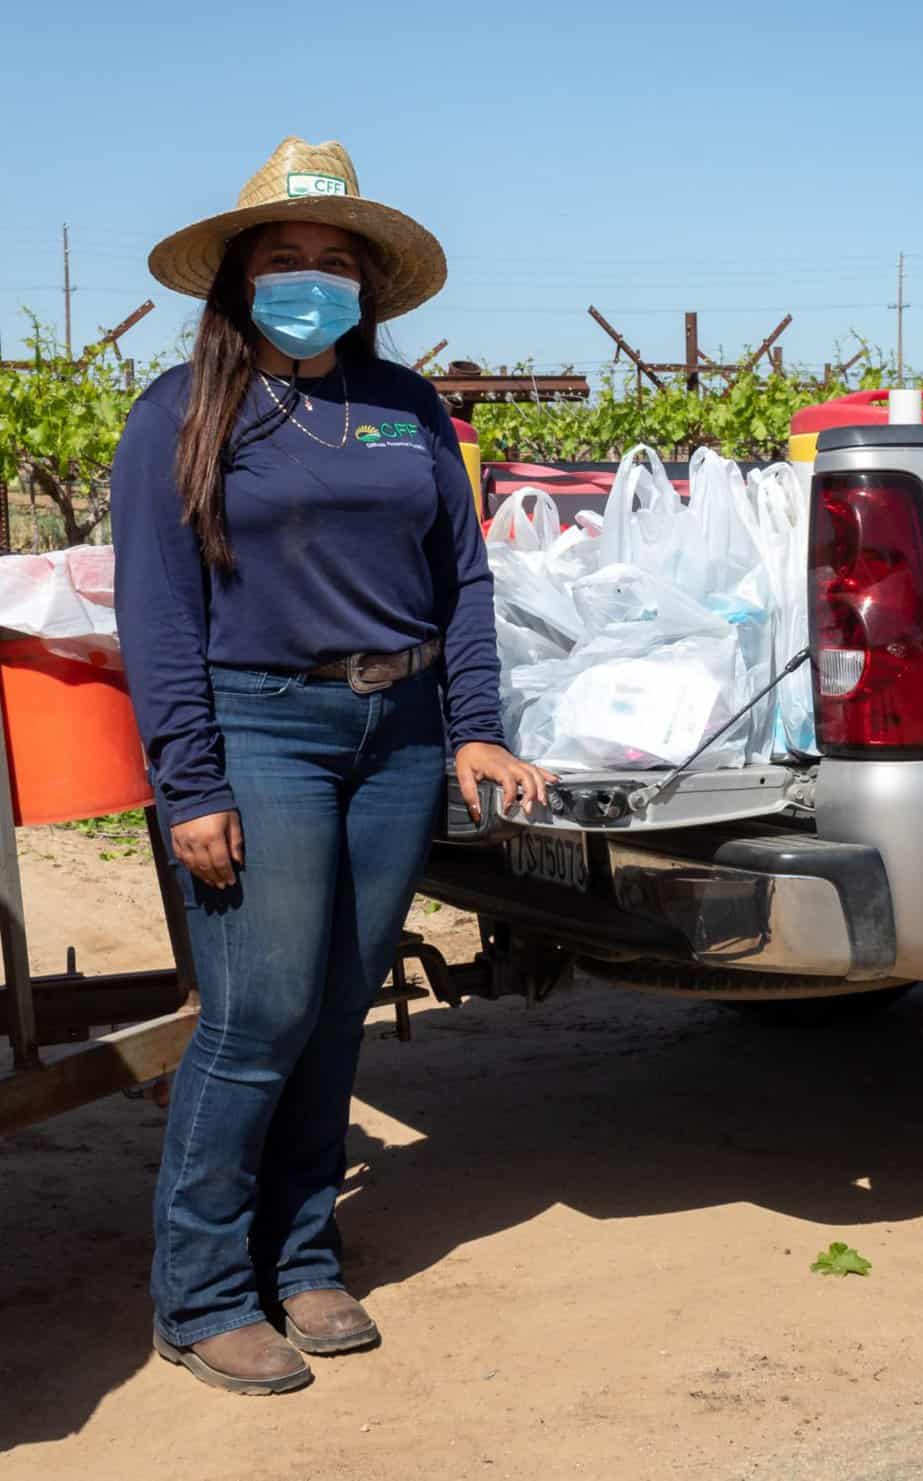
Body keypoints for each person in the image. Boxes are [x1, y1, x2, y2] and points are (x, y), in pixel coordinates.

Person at [111, 136, 550, 1396]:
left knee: (338, 1007)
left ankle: (301, 1254)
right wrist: (189, 783)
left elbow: (460, 577)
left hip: (400, 734)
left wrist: (474, 721)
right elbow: (156, 610)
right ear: (240, 278)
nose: (311, 278)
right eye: (286, 257)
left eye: (334, 262)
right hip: (263, 730)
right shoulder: (182, 414)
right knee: (258, 1014)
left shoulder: (405, 409)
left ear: (368, 286)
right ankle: (198, 1291)